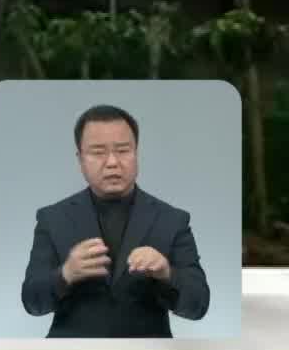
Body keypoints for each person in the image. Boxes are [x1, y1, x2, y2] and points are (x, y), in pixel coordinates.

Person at [19, 103, 211, 337]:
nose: (112, 162)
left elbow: (199, 305)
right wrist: (66, 273)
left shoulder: (172, 220)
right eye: (98, 152)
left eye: (122, 150)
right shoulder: (52, 218)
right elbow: (32, 302)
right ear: (80, 159)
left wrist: (166, 273)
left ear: (136, 152)